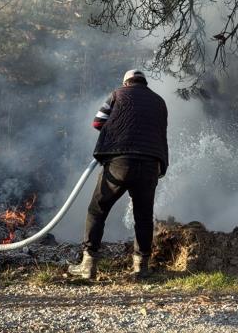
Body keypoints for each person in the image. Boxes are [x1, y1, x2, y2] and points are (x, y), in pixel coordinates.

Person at [68, 69, 168, 280]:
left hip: (120, 161)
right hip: (150, 163)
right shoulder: (159, 102)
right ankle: (141, 269)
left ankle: (88, 265)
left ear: (126, 83)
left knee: (98, 210)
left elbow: (97, 122)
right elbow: (159, 132)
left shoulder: (118, 94)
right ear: (144, 83)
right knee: (143, 217)